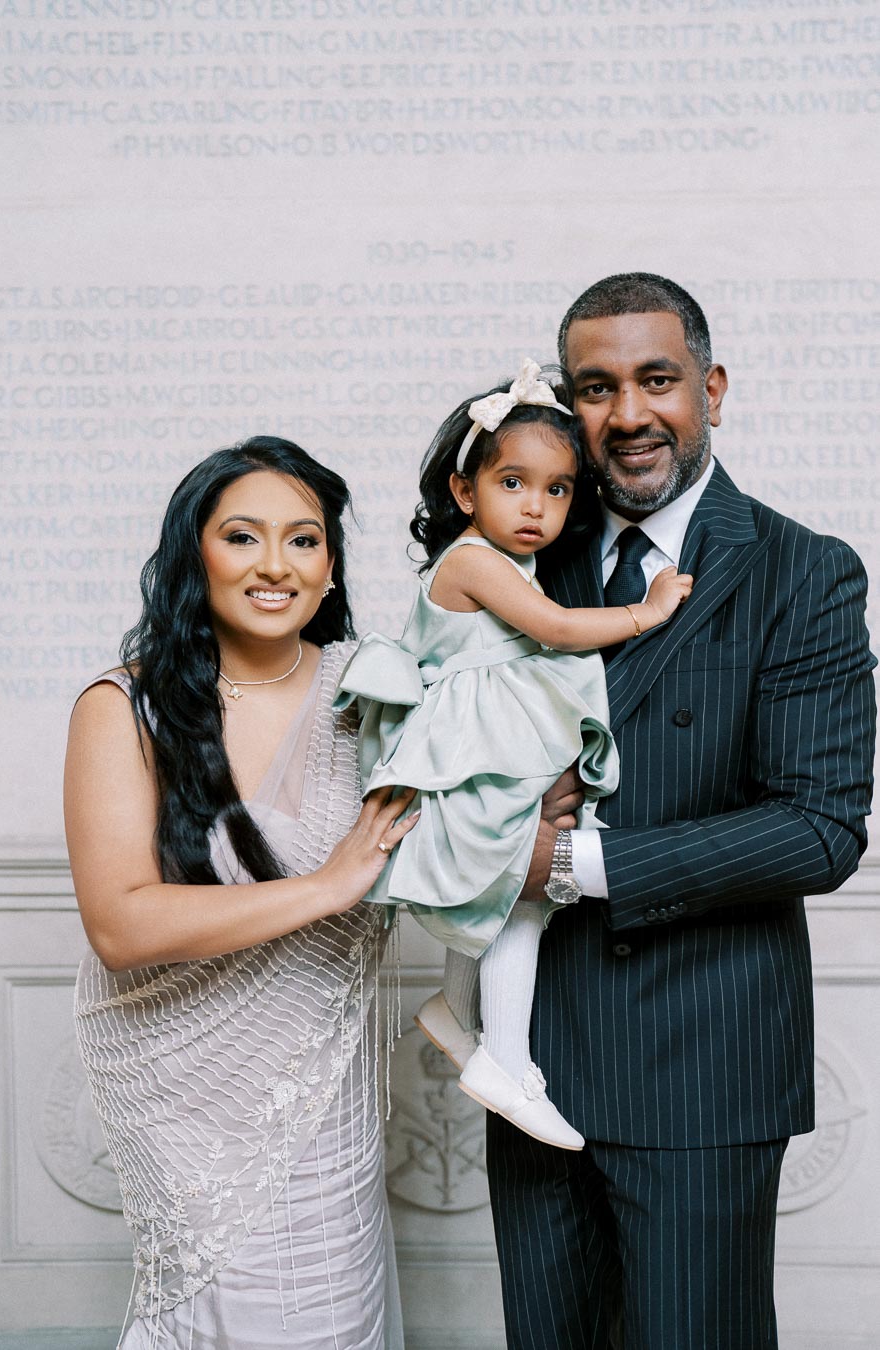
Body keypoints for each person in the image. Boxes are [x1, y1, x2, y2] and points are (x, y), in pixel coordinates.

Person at [485, 274, 877, 1349]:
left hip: (705, 1067)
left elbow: (819, 825)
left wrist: (567, 866)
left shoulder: (803, 571)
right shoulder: (525, 558)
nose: (629, 414)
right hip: (537, 1062)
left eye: (657, 380)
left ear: (710, 386)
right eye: (596, 388)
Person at [63, 437, 419, 1350]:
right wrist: (329, 886)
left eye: (304, 541)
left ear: (331, 566)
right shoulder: (125, 705)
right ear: (196, 554)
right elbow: (121, 922)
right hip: (180, 1103)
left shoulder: (372, 691)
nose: (275, 565)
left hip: (320, 1094)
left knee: (331, 1316)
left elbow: (478, 799)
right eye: (243, 537)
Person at [334, 359, 691, 1151]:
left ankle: (455, 1011)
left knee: (507, 891)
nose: (536, 507)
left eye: (558, 490)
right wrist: (646, 610)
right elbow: (559, 629)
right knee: (521, 890)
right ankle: (505, 1058)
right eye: (514, 484)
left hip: (488, 749)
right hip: (465, 759)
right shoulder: (471, 562)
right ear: (466, 491)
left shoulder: (507, 557)